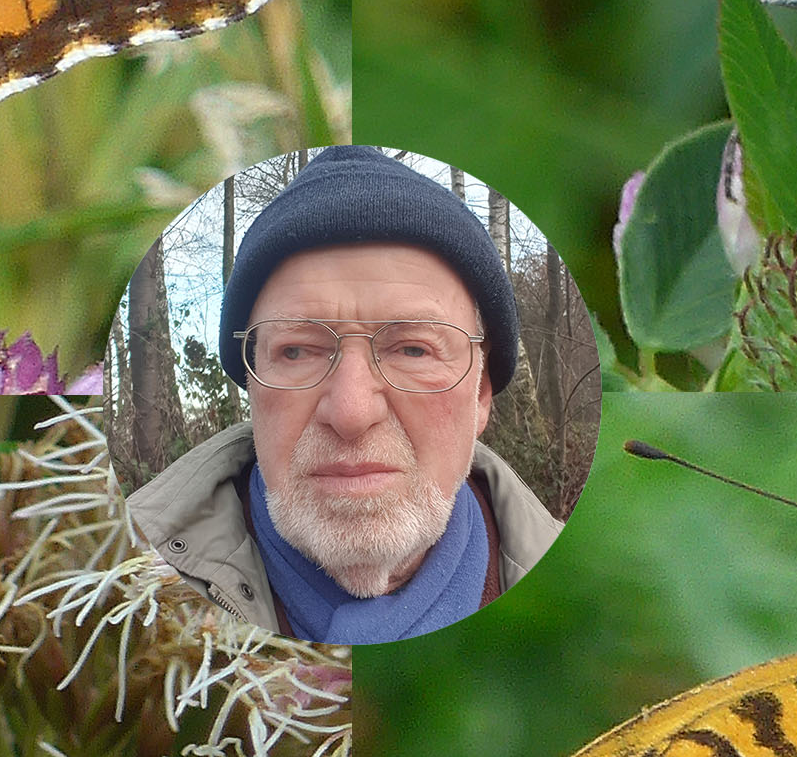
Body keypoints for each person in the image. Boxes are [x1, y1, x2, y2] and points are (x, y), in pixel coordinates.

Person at [128, 147, 562, 643]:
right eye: (296, 352)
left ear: (481, 395)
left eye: (414, 350)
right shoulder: (123, 571)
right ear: (252, 389)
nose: (352, 411)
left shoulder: (581, 600)